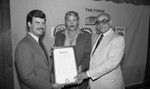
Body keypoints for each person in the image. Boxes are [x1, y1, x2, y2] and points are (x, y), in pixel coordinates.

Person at [15, 9, 63, 89]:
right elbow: (27, 77)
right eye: (37, 23)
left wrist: (57, 56)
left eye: (43, 23)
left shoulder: (39, 42)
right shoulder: (23, 46)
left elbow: (43, 66)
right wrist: (50, 86)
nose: (41, 26)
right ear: (29, 24)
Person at [75, 12, 125, 89]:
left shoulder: (118, 39)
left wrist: (87, 74)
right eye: (98, 22)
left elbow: (111, 63)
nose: (100, 24)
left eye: (104, 21)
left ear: (110, 23)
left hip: (108, 84)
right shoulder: (95, 37)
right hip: (94, 82)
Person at [53, 11, 92, 89]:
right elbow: (56, 54)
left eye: (74, 20)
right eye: (69, 20)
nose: (71, 23)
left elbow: (88, 55)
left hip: (79, 79)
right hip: (62, 79)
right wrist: (54, 53)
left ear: (78, 21)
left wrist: (81, 68)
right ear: (65, 21)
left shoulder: (86, 36)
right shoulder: (58, 35)